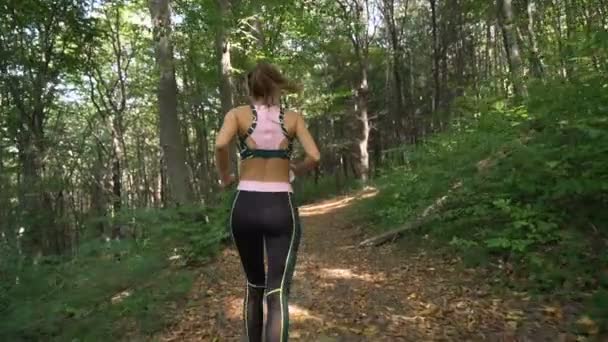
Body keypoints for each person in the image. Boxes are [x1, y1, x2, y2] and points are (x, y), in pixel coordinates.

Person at [214, 61, 321, 342]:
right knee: (276, 292)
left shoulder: (237, 115)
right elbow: (315, 157)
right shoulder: (293, 118)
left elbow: (220, 144)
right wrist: (297, 167)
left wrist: (225, 176)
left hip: (245, 206)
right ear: (276, 86)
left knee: (254, 285)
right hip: (280, 206)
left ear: (250, 88)